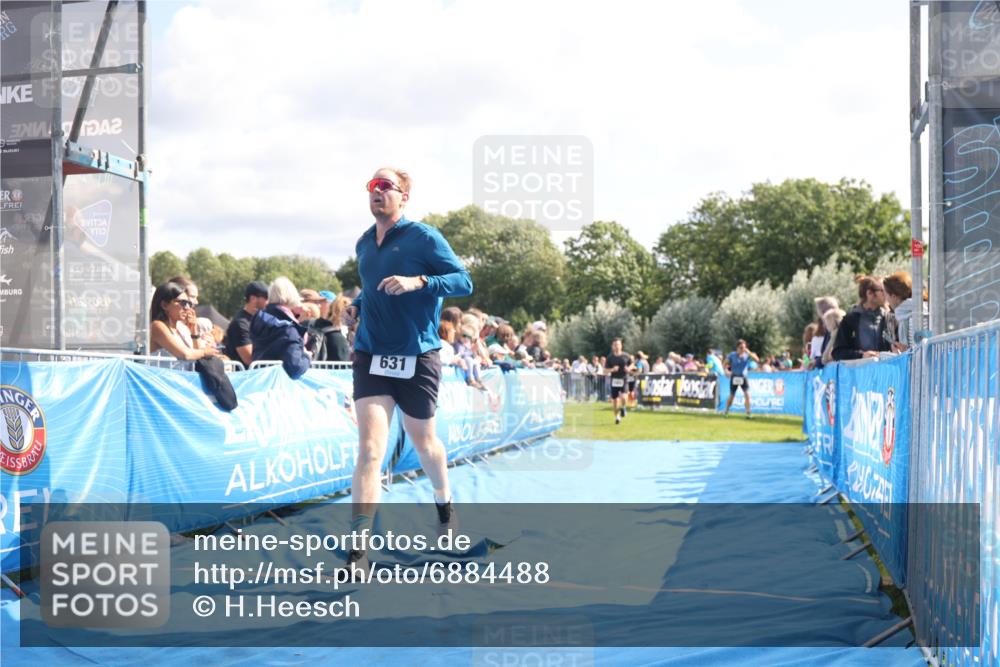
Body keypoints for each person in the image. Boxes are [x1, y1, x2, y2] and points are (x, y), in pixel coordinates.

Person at [342, 166, 472, 575]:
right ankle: (358, 552)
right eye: (372, 186)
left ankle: (444, 503)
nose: (377, 191)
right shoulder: (364, 242)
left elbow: (463, 282)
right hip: (371, 355)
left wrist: (420, 282)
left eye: (386, 186)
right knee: (370, 450)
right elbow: (371, 287)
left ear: (404, 197)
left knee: (425, 443)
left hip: (417, 356)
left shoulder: (424, 237)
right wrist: (356, 307)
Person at [250, 276, 311, 378]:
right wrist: (306, 356)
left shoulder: (259, 319)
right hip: (278, 383)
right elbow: (295, 368)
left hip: (259, 379)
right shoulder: (288, 329)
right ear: (292, 296)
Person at [149, 281, 220, 363]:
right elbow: (185, 354)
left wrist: (194, 331)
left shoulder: (182, 328)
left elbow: (198, 358)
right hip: (162, 372)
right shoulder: (157, 326)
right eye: (183, 303)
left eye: (189, 303)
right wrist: (205, 352)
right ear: (164, 305)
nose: (187, 308)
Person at [831, 275, 892, 361]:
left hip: (885, 369)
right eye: (882, 290)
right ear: (869, 293)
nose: (886, 294)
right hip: (859, 369)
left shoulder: (888, 318)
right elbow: (838, 353)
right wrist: (861, 355)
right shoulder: (850, 320)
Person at [225, 281, 269, 368]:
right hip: (244, 374)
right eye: (266, 298)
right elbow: (249, 358)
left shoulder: (263, 319)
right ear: (253, 298)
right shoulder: (240, 323)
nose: (268, 302)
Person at [724, 339, 760, 418]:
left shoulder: (747, 354)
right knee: (732, 395)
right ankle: (726, 411)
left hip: (743, 377)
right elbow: (725, 364)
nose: (742, 349)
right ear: (737, 348)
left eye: (744, 347)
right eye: (741, 347)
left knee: (747, 395)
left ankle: (748, 413)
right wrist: (726, 371)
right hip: (734, 377)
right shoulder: (732, 355)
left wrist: (749, 352)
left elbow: (757, 360)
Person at [883, 271, 915, 351]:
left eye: (886, 294)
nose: (886, 299)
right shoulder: (910, 311)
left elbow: (917, 350)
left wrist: (903, 351)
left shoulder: (909, 315)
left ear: (894, 296)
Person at [605, 338, 633, 425]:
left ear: (621, 345)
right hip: (614, 380)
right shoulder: (610, 358)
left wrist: (629, 368)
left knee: (624, 397)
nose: (617, 346)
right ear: (612, 346)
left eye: (618, 344)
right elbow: (605, 370)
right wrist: (612, 369)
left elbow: (632, 364)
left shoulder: (626, 356)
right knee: (615, 401)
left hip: (624, 378)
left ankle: (623, 407)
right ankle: (617, 417)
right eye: (615, 345)